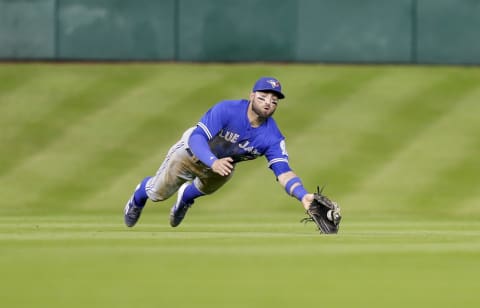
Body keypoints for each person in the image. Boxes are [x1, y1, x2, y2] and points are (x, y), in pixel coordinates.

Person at [124, 77, 315, 228]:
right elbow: (197, 137)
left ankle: (185, 199)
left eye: (274, 101)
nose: (268, 103)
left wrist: (303, 195)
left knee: (209, 185)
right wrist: (213, 161)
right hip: (191, 152)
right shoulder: (227, 109)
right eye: (262, 97)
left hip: (222, 165)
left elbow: (283, 171)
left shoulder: (272, 137)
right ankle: (138, 198)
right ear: (251, 96)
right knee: (157, 194)